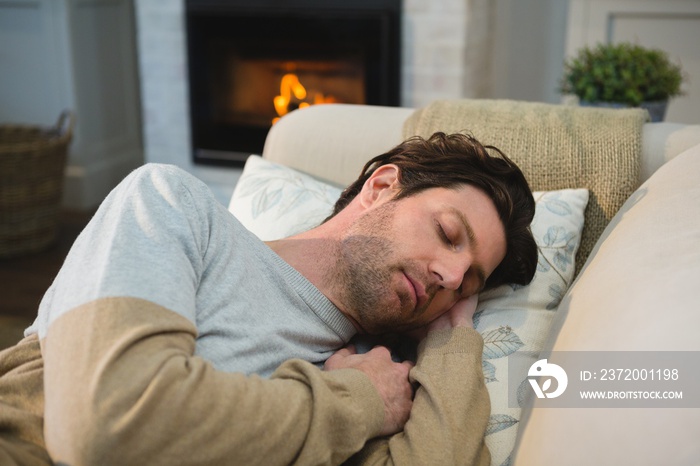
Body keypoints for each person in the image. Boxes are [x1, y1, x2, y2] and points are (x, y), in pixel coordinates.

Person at [0, 132, 537, 466]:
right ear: (382, 187)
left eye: (467, 283)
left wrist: (451, 339)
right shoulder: (176, 209)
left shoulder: (381, 373)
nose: (448, 276)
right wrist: (352, 404)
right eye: (446, 232)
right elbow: (106, 427)